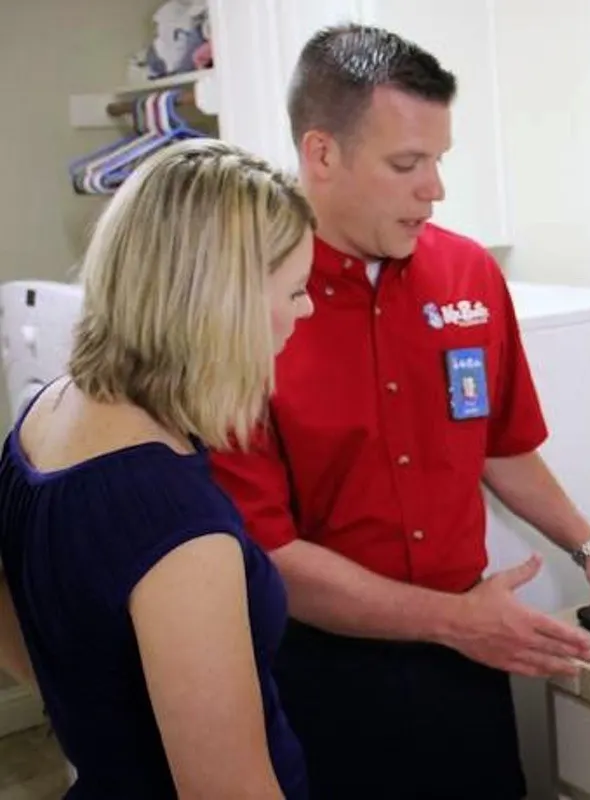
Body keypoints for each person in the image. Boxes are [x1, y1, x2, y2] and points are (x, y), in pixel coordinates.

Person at [207, 23, 590, 799]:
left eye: (439, 160)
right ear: (321, 155)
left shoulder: (465, 271)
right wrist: (451, 619)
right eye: (407, 164)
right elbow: (267, 550)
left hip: (466, 660)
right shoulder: (248, 307)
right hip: (319, 669)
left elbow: (499, 443)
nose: (434, 187)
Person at [0, 137, 316, 799]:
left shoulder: (42, 416)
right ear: (223, 305)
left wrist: (97, 716)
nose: (305, 310)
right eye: (295, 290)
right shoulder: (175, 521)